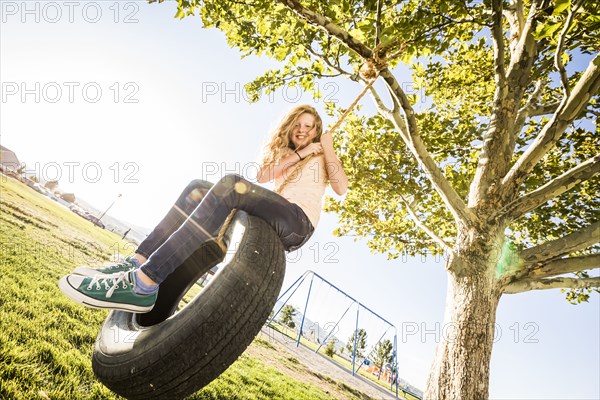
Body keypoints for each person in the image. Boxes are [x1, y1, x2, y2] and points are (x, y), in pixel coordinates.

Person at [58, 104, 348, 312]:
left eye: (309, 126)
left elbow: (340, 187)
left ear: (317, 131)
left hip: (297, 222)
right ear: (290, 127)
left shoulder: (323, 155)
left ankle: (143, 284)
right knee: (198, 187)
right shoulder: (287, 154)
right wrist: (303, 152)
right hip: (277, 211)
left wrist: (326, 148)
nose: (302, 130)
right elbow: (263, 177)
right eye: (298, 124)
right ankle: (137, 260)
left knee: (232, 184)